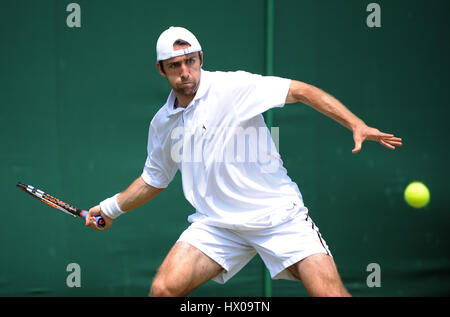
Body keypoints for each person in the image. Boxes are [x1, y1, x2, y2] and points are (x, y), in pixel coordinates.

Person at [86, 26, 402, 297]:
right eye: (175, 66)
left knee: (329, 294)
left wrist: (355, 124)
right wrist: (110, 208)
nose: (185, 72)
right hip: (218, 225)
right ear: (161, 69)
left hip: (278, 216)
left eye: (190, 62)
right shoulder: (162, 124)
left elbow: (302, 91)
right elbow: (153, 180)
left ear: (200, 59)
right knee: (163, 290)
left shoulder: (233, 87)